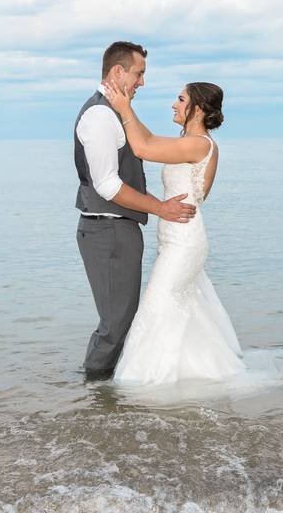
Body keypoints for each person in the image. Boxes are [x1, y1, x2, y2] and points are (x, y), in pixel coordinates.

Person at [103, 80, 245, 385]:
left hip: (185, 241)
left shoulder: (200, 145)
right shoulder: (189, 142)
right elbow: (150, 138)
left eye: (181, 99)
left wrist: (124, 107)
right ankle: (191, 374)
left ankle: (148, 383)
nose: (173, 104)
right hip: (173, 240)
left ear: (199, 109)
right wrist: (127, 107)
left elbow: (142, 148)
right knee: (176, 306)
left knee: (158, 304)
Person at [74, 42, 197, 381]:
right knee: (116, 322)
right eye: (139, 74)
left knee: (123, 317)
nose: (142, 82)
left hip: (117, 229)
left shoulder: (114, 112)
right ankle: (96, 394)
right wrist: (160, 208)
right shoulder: (99, 115)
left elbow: (139, 152)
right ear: (118, 72)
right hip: (106, 230)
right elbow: (107, 185)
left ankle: (109, 390)